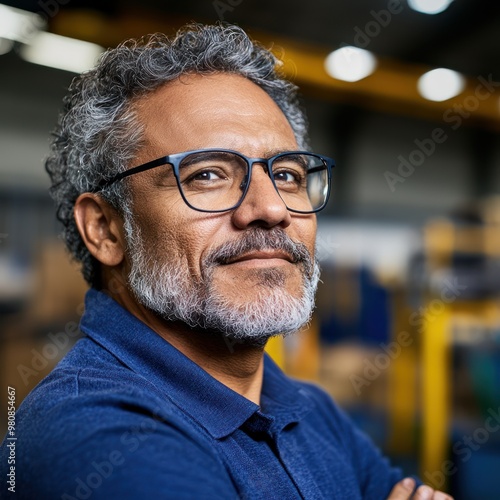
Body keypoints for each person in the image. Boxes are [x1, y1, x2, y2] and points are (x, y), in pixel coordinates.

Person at [1, 23, 452, 499]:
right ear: (106, 228)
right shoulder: (97, 434)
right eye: (209, 174)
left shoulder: (312, 411)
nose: (272, 208)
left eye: (287, 174)